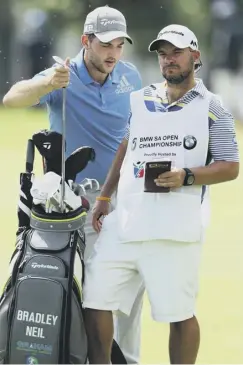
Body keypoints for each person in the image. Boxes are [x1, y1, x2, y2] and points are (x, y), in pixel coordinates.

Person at [82, 24, 240, 364]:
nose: (168, 60)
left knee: (178, 314)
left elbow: (230, 166)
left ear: (194, 57)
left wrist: (187, 176)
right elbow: (126, 147)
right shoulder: (141, 99)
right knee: (95, 302)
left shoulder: (214, 107)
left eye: (176, 52)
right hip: (126, 224)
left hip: (175, 229)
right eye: (163, 53)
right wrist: (105, 196)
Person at [2, 6, 144, 364]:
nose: (113, 53)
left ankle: (127, 360)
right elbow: (12, 99)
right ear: (86, 41)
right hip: (73, 207)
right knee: (87, 295)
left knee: (128, 294)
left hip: (121, 202)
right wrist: (47, 81)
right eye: (106, 44)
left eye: (119, 45)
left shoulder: (130, 77)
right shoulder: (63, 75)